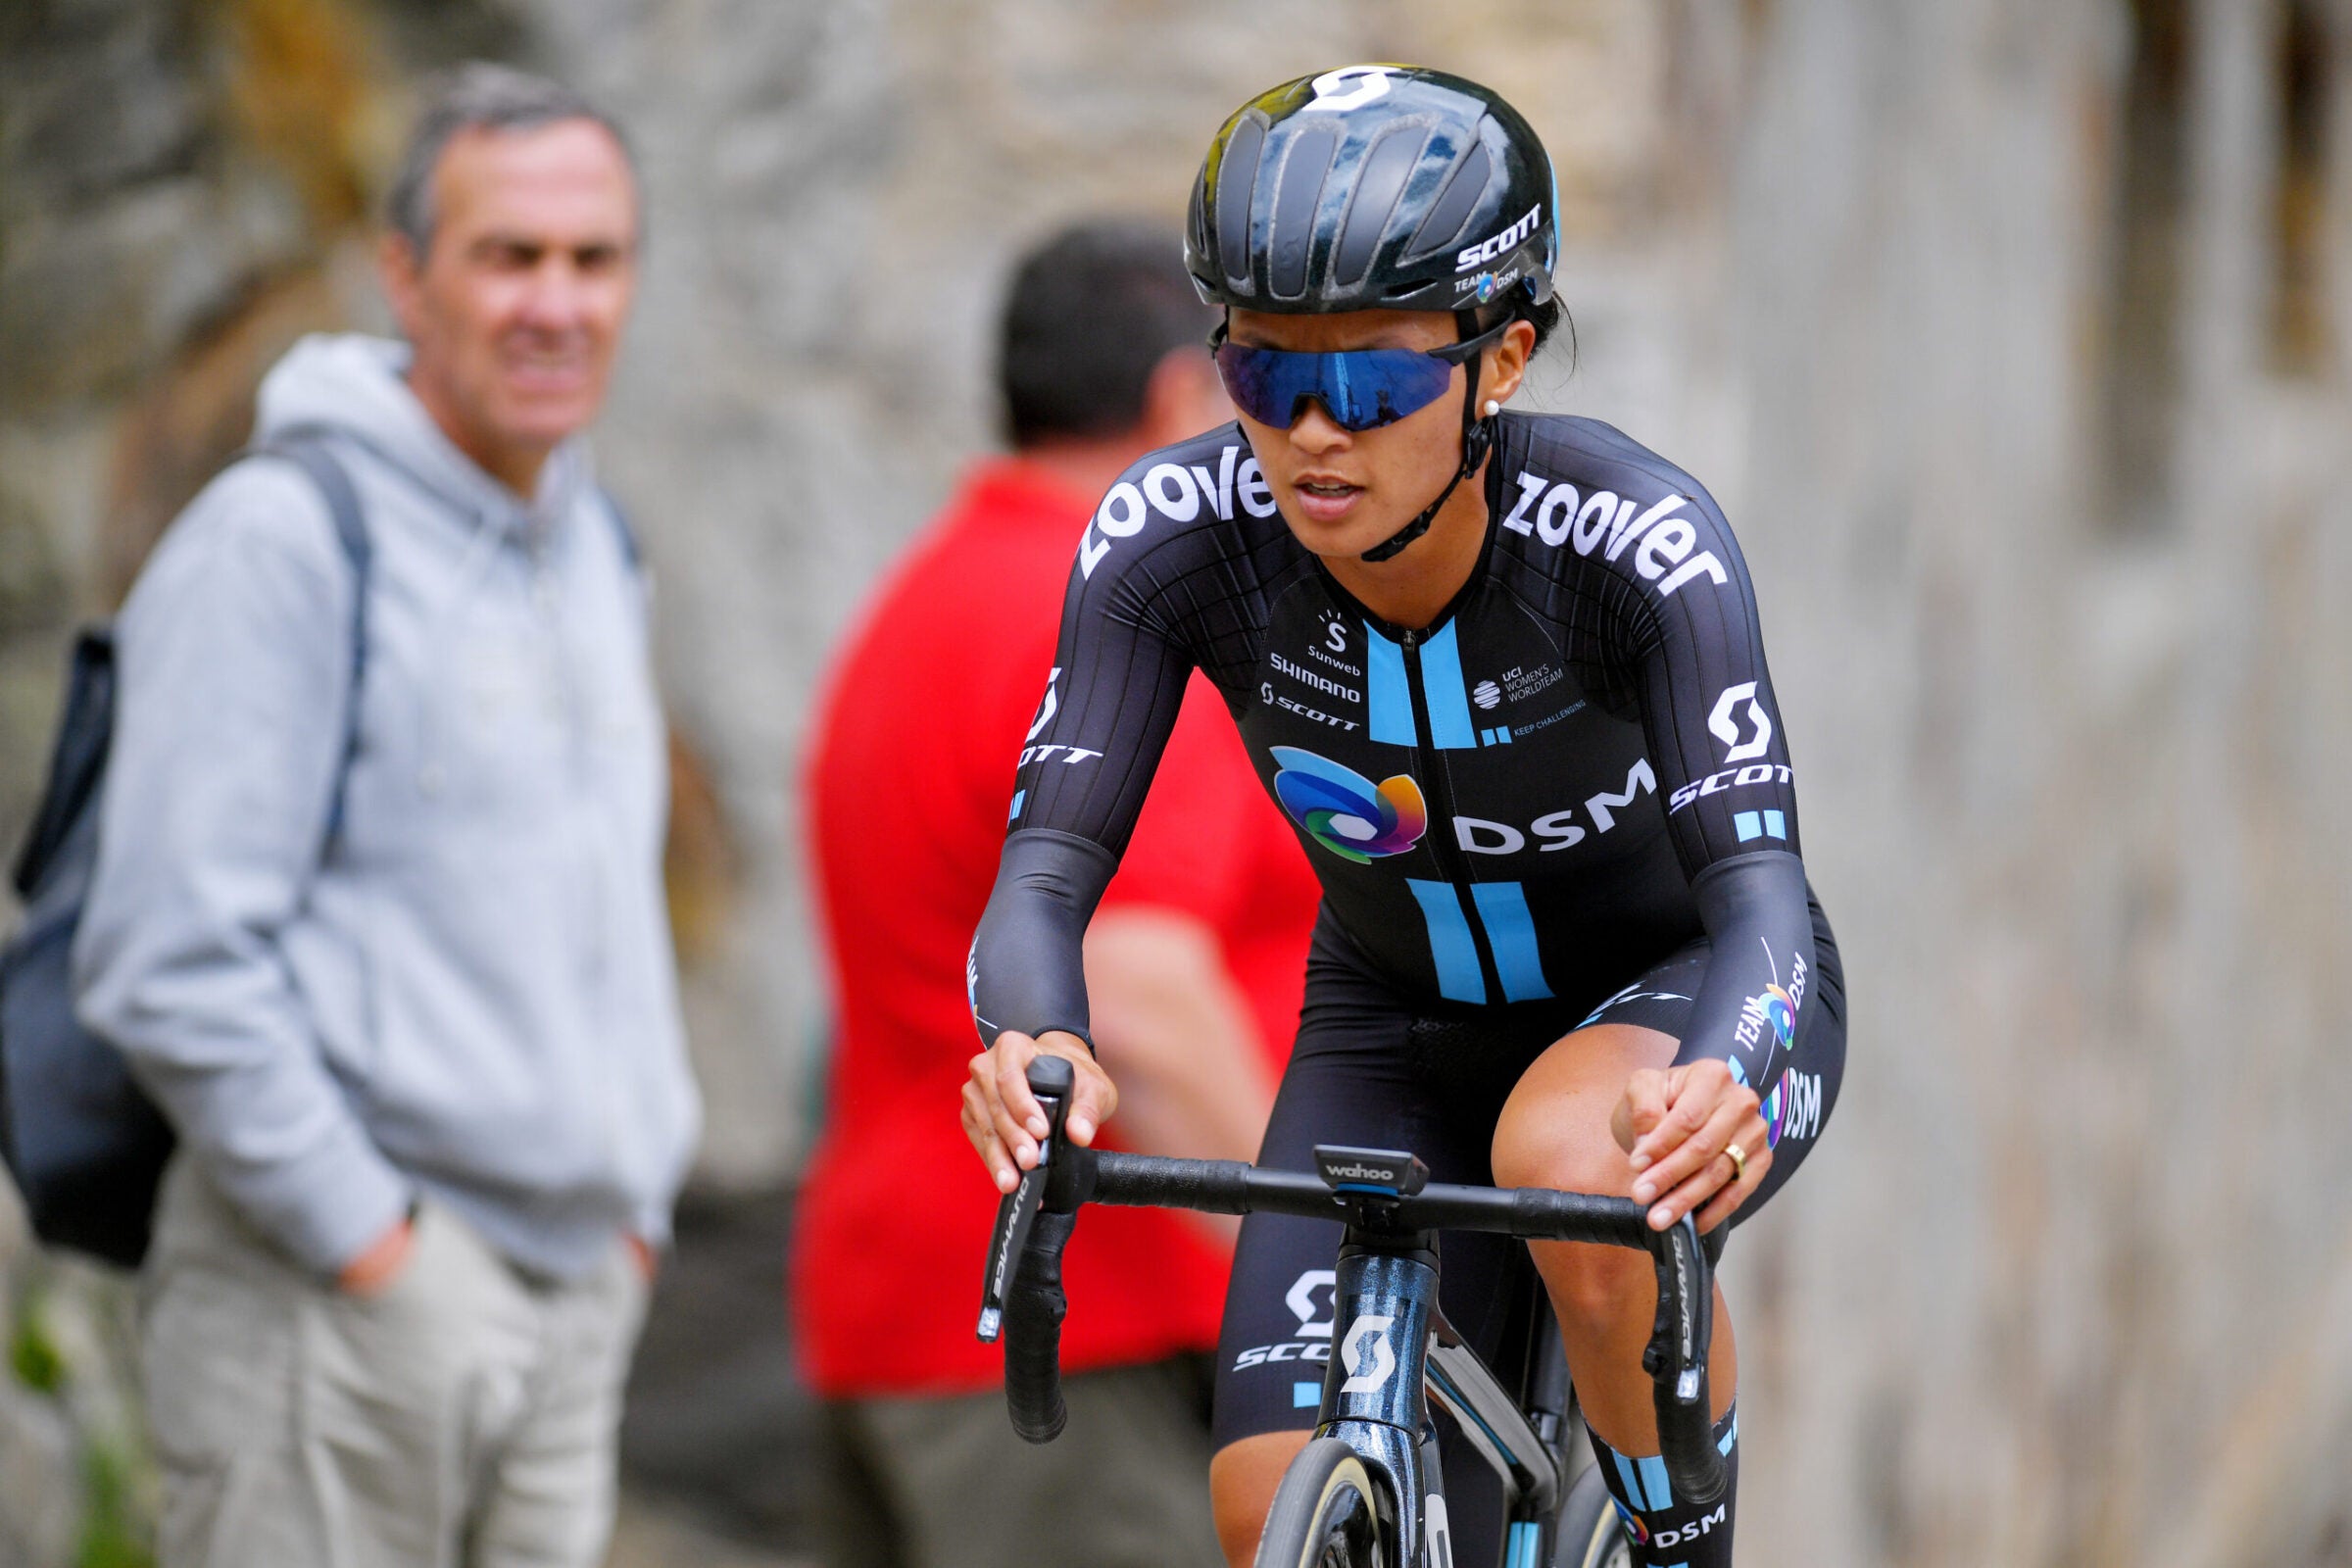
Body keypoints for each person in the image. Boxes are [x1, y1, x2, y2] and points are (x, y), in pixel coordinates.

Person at [962, 66, 1847, 1568]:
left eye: (1370, 381)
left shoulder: (1635, 545)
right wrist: (1036, 1041)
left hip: (1663, 990)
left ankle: (1684, 1543)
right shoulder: (1173, 538)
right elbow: (1047, 866)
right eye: (1260, 372)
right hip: (1388, 1021)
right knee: (1259, 1511)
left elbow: (1762, 901)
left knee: (1576, 1161)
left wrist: (1723, 1073)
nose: (1311, 432)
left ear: (1500, 362)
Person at [72, 63, 700, 1568]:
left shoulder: (590, 540)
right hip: (336, 1315)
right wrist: (376, 1249)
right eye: (510, 257)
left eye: (593, 259)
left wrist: (639, 1205)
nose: (557, 303)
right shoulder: (281, 541)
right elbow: (167, 958)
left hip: (571, 1310)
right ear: (406, 278)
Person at [793, 222, 1323, 1568]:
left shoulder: (935, 593)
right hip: (1069, 1344)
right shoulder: (1122, 612)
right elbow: (1140, 995)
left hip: (926, 1318)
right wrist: (1335, 1266)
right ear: (1175, 400)